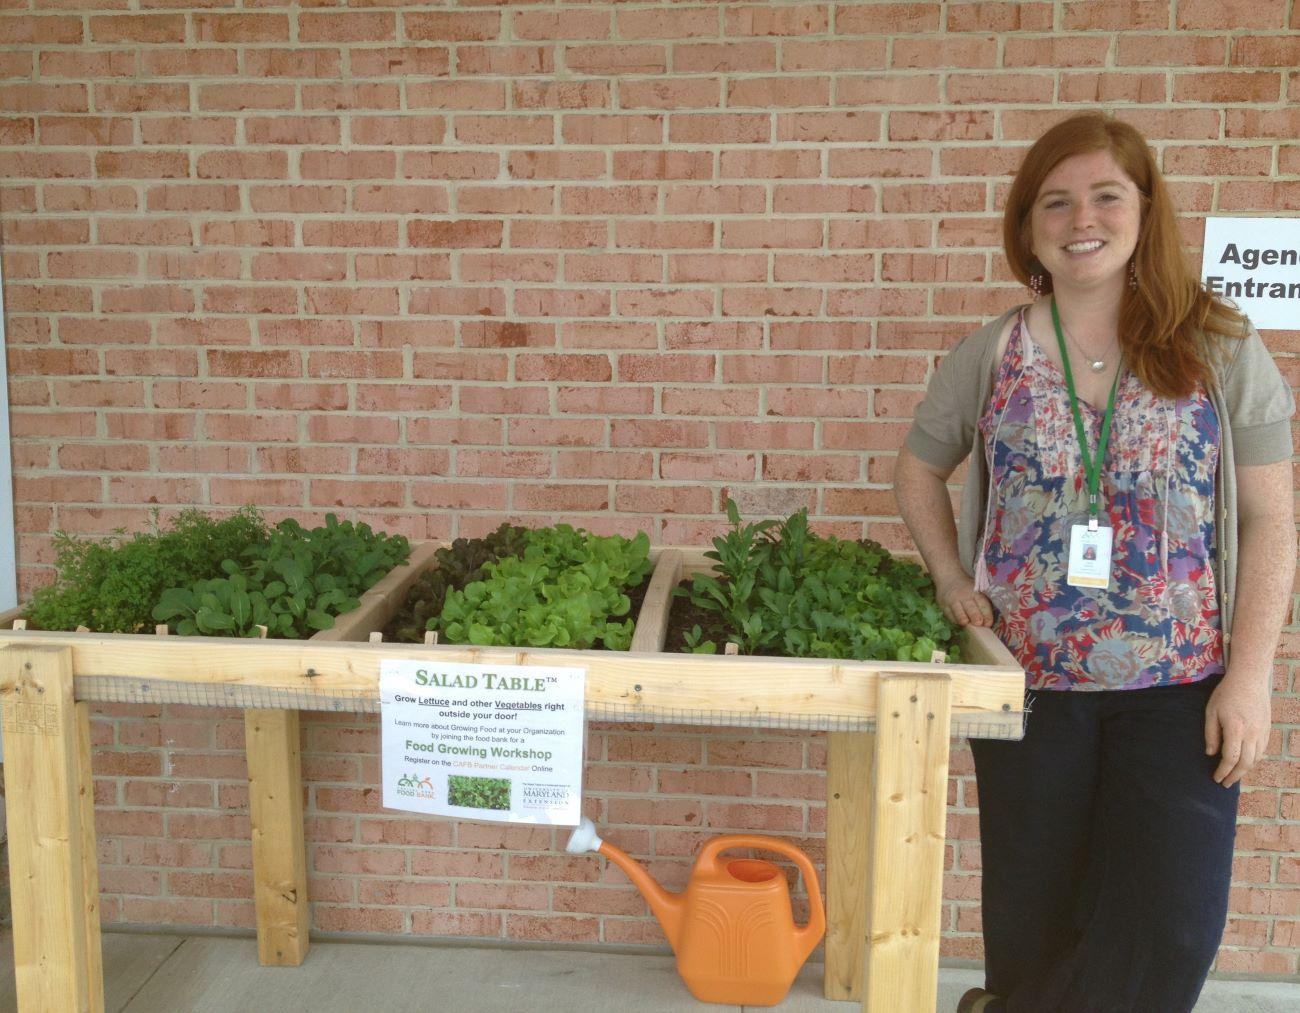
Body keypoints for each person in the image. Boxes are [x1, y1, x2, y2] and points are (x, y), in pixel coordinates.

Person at [894, 112, 1296, 1013]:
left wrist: (1254, 676)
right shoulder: (994, 352)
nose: (1084, 218)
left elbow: (1274, 518)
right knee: (1036, 923)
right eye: (1057, 200)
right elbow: (917, 469)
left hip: (1182, 685)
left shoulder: (1219, 346)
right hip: (1028, 687)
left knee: (1174, 926)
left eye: (1107, 195)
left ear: (1145, 209)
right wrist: (953, 581)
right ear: (1029, 225)